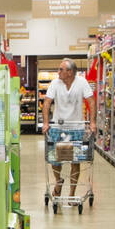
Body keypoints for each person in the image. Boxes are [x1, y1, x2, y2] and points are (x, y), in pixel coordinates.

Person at [42, 58, 94, 198]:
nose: (58, 72)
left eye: (61, 69)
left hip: (77, 128)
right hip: (58, 127)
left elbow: (91, 101)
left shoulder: (82, 82)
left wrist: (93, 122)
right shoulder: (55, 83)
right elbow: (47, 103)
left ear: (70, 72)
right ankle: (58, 182)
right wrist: (46, 122)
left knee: (75, 161)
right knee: (54, 160)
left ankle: (72, 193)